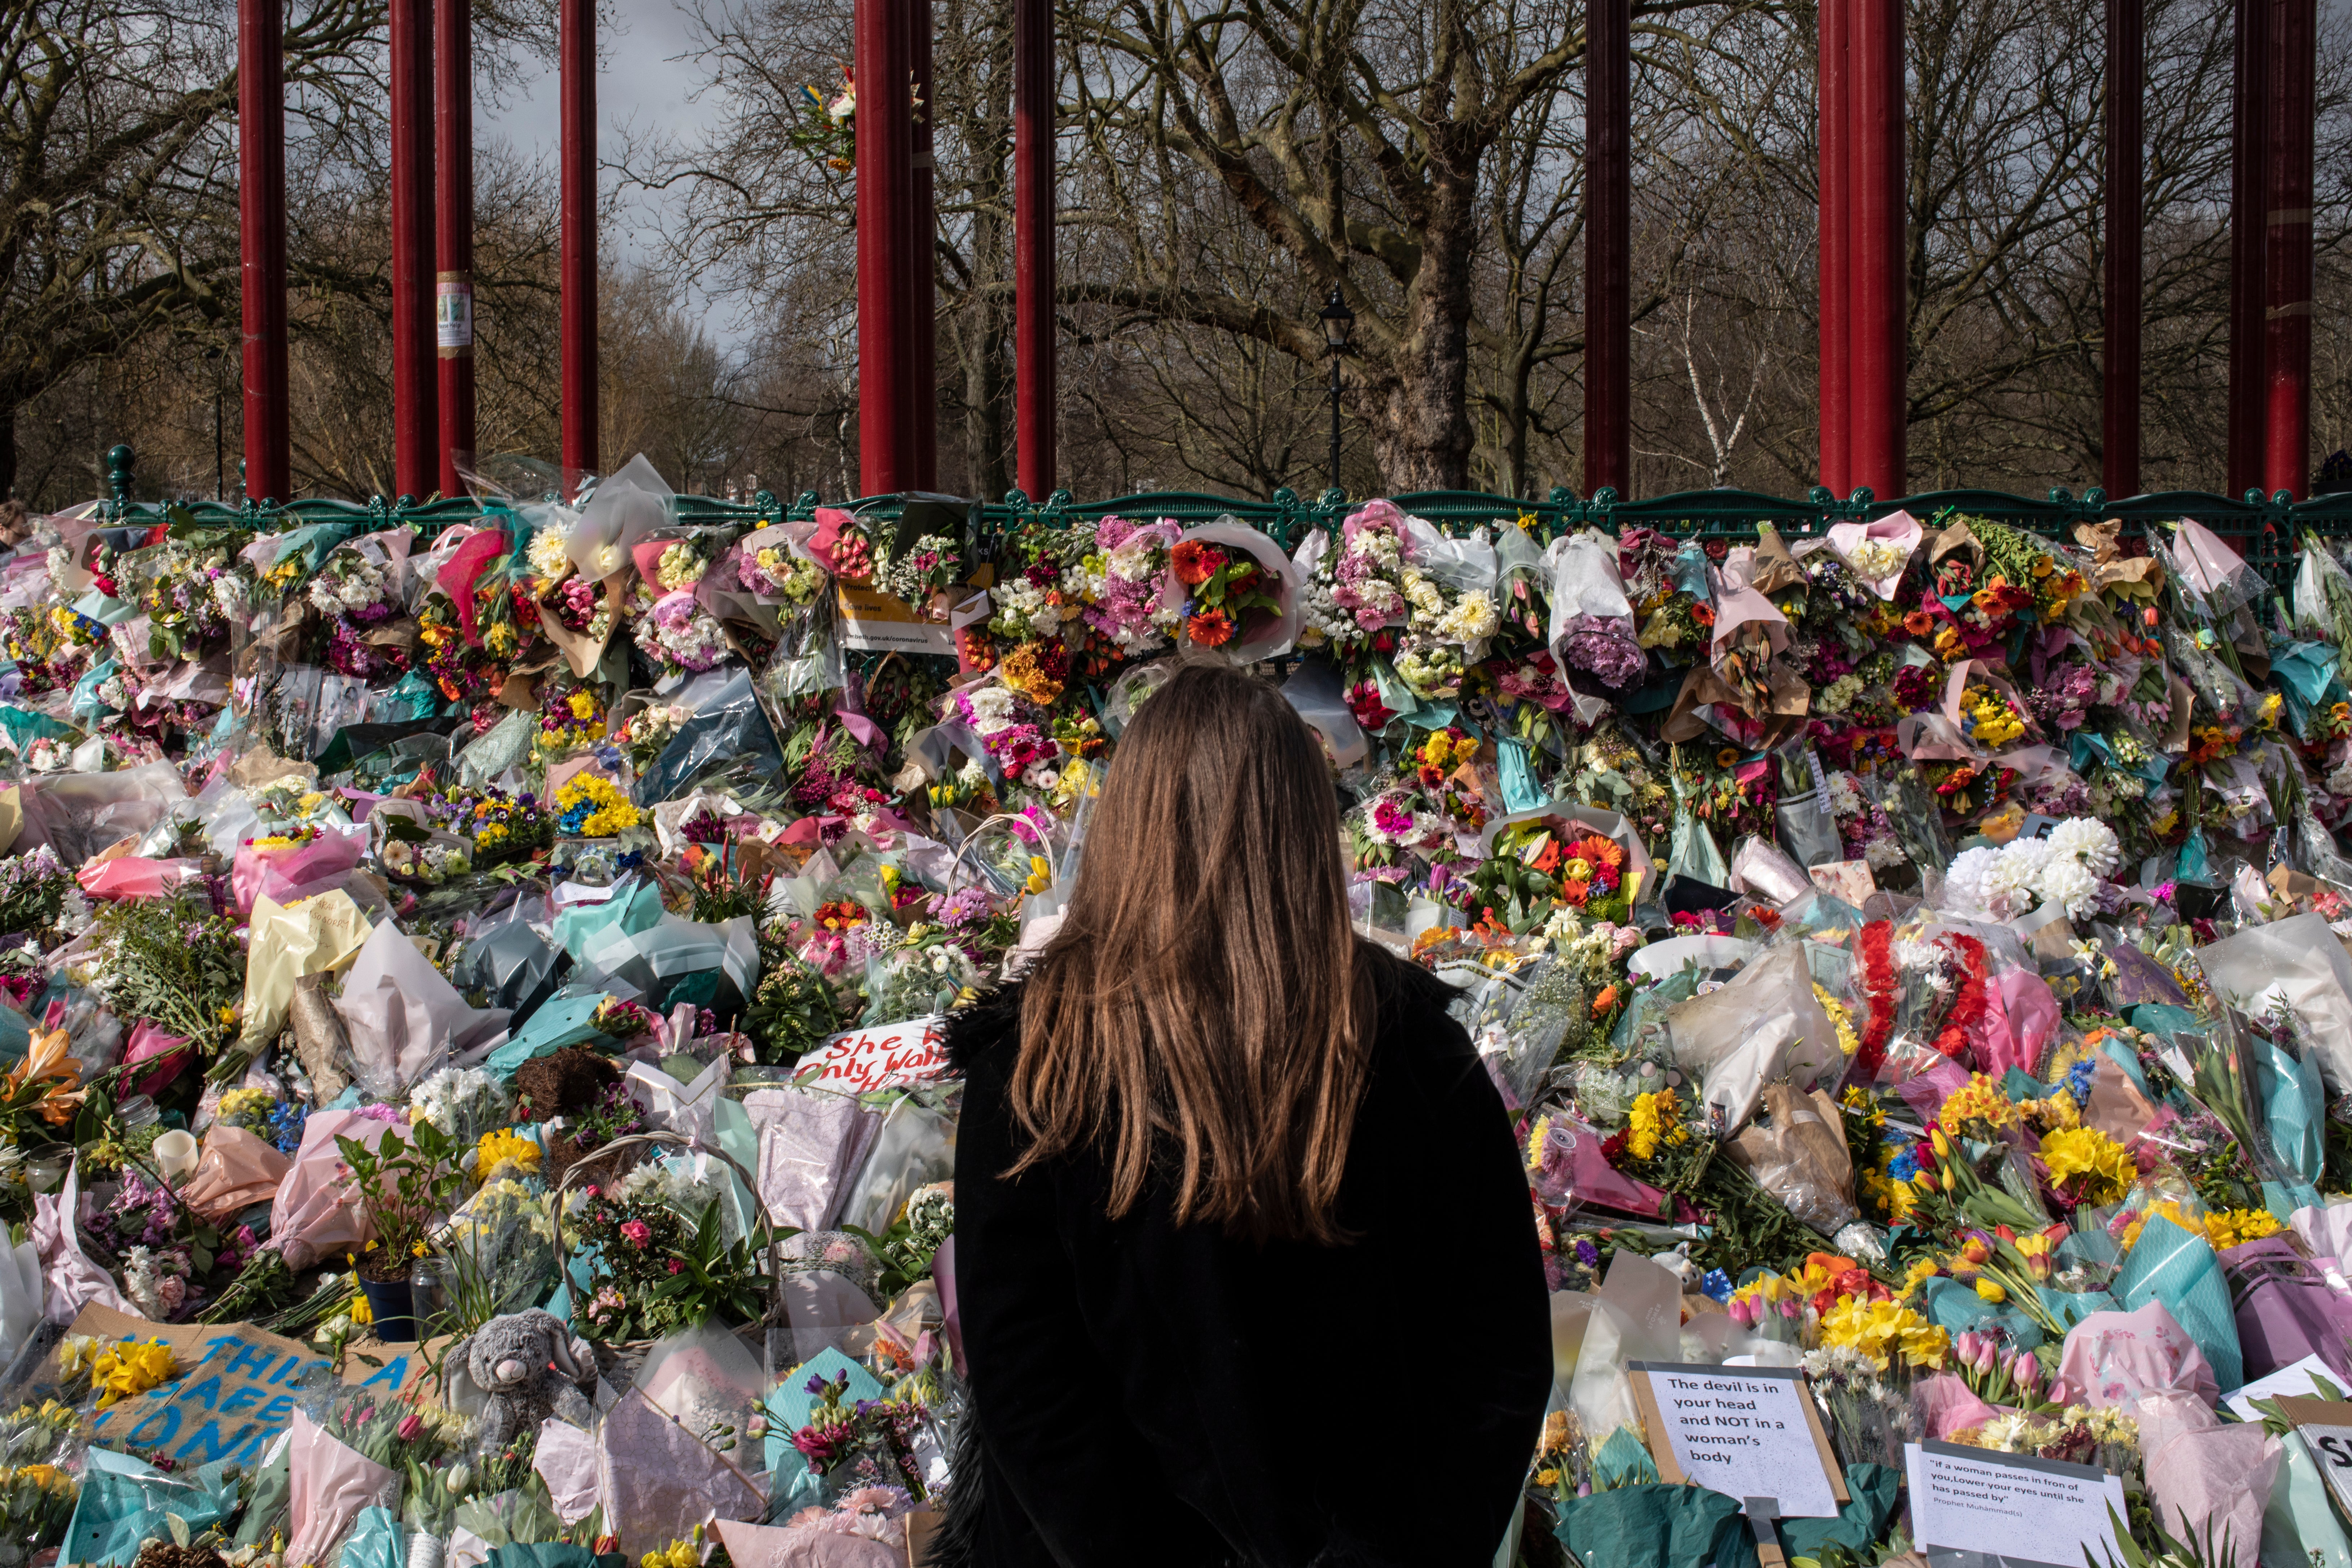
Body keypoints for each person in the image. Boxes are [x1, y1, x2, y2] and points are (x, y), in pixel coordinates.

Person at [935, 655, 1551, 1567]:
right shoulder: (1417, 1055)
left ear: (1128, 827)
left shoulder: (1040, 1068)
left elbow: (1030, 1392)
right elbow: (1498, 1362)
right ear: (1305, 830)